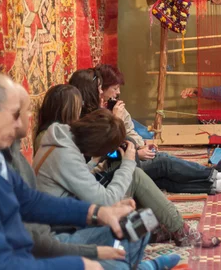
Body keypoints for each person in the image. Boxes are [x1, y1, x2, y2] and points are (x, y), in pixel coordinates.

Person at [0, 72, 180, 270]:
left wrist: (98, 212)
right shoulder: (51, 150)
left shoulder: (1, 159)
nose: (22, 123)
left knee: (140, 223)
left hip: (47, 242)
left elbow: (32, 202)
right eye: (16, 113)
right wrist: (84, 260)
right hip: (49, 242)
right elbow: (21, 253)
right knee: (120, 255)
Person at [33, 85, 195, 247]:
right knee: (136, 176)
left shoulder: (61, 137)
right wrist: (128, 163)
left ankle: (169, 229)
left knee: (140, 175)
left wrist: (98, 163)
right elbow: (105, 201)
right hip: (66, 226)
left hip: (72, 210)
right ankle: (174, 231)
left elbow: (76, 180)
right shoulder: (63, 153)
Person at [94, 64, 221, 194]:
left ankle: (220, 185)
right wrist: (132, 147)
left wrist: (142, 145)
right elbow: (105, 151)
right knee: (164, 162)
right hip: (114, 168)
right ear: (100, 89)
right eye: (114, 88)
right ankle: (216, 175)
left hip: (130, 157)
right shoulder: (95, 116)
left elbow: (130, 131)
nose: (118, 92)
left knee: (165, 180)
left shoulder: (113, 106)